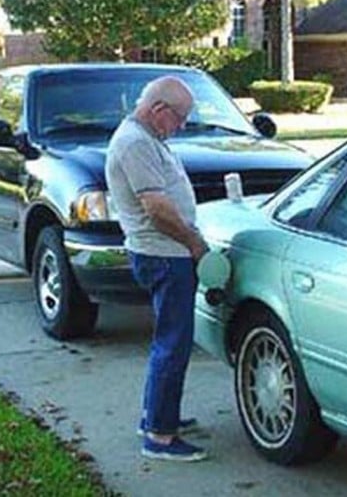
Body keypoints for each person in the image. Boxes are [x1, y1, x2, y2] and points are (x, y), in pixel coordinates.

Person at [105, 76, 210, 462]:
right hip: (165, 255)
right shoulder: (135, 143)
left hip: (167, 253)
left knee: (169, 339)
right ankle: (160, 437)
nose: (181, 125)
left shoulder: (148, 138)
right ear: (158, 110)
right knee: (173, 343)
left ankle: (158, 416)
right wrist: (195, 244)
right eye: (179, 117)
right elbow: (158, 210)